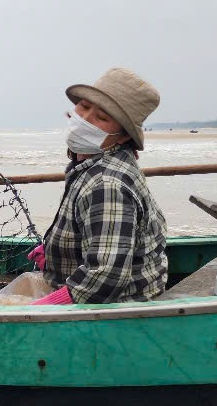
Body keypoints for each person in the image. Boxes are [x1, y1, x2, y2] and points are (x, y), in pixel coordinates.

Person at [28, 68, 168, 305]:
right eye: (83, 106)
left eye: (102, 118)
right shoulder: (91, 162)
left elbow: (105, 277)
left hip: (119, 311)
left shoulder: (107, 185)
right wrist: (55, 254)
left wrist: (42, 308)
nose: (85, 119)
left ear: (122, 136)